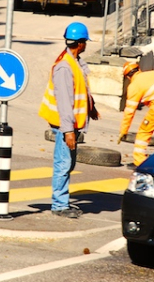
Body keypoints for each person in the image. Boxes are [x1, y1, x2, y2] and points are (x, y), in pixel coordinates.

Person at [38, 22, 100, 218]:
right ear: (80, 43)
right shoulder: (65, 67)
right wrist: (68, 131)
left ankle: (61, 202)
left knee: (68, 164)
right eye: (85, 42)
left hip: (70, 124)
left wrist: (91, 107)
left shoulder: (74, 61)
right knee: (63, 164)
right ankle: (59, 205)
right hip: (64, 125)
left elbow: (80, 89)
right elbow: (64, 101)